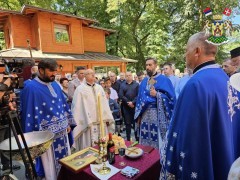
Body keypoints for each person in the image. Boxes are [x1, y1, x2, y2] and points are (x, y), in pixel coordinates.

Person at [160, 32, 235, 179]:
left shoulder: (196, 84)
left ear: (197, 51)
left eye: (186, 50)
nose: (184, 55)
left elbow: (188, 135)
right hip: (224, 154)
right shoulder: (224, 78)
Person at [21, 59, 76, 179]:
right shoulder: (30, 87)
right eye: (51, 71)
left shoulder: (55, 84)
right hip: (45, 138)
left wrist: (67, 123)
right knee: (50, 168)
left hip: (62, 133)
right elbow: (28, 113)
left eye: (55, 71)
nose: (54, 73)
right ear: (41, 70)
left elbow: (63, 105)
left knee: (65, 164)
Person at [134, 57, 175, 149]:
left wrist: (157, 95)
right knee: (145, 141)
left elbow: (171, 99)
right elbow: (140, 98)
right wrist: (139, 116)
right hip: (144, 115)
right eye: (146, 65)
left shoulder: (164, 80)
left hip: (158, 115)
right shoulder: (144, 81)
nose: (147, 67)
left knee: (157, 140)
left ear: (155, 65)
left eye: (150, 65)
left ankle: (157, 160)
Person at [71, 69, 114, 151]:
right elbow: (76, 107)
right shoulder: (80, 89)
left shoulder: (99, 88)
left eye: (93, 73)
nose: (92, 75)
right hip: (88, 123)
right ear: (85, 76)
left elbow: (104, 103)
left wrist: (107, 117)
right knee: (89, 147)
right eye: (90, 74)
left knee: (103, 144)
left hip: (101, 122)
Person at [119, 72, 139, 141]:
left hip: (134, 107)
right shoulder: (122, 85)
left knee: (135, 123)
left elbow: (138, 95)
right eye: (126, 76)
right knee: (127, 123)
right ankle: (128, 139)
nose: (128, 77)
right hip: (126, 107)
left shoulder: (136, 84)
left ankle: (137, 139)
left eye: (129, 75)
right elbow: (121, 95)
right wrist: (128, 103)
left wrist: (133, 102)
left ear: (132, 76)